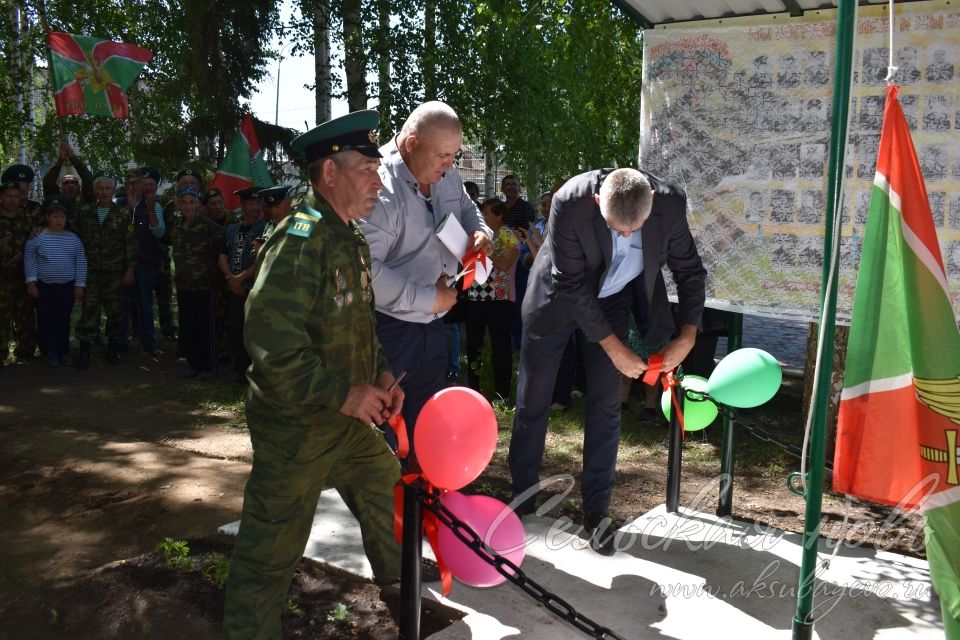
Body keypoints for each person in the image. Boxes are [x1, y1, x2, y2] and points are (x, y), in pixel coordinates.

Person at [224, 110, 404, 639]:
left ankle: (399, 584)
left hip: (343, 418)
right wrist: (342, 395)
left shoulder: (350, 238)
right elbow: (270, 342)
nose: (378, 179)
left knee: (381, 481)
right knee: (271, 546)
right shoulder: (300, 239)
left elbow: (357, 326)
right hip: (297, 425)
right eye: (367, 168)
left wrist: (383, 375)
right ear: (330, 173)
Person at [509, 168, 706, 555]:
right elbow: (572, 285)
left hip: (612, 298)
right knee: (534, 400)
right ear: (598, 203)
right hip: (557, 297)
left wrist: (688, 334)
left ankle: (597, 510)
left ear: (652, 199)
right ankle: (522, 497)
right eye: (618, 229)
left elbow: (689, 270)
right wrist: (615, 348)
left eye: (637, 229)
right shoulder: (569, 200)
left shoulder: (670, 202)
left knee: (605, 405)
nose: (628, 237)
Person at [359, 100, 492, 442]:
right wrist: (427, 298)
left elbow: (467, 208)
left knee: (425, 427)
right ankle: (385, 494)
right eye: (443, 156)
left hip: (434, 324)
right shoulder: (379, 184)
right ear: (412, 142)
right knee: (385, 430)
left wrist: (481, 232)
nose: (449, 166)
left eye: (454, 156)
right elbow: (365, 270)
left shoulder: (445, 175)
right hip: (390, 328)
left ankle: (419, 493)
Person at [73, 173, 137, 368]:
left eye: (108, 188)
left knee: (115, 312)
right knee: (89, 311)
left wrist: (130, 270)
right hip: (90, 271)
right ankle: (85, 351)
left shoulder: (124, 213)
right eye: (100, 188)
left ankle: (113, 349)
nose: (104, 192)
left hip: (115, 272)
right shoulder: (84, 212)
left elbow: (131, 244)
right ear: (94, 191)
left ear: (113, 191)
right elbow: (74, 240)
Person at [164, 186, 224, 381]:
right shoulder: (177, 226)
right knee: (188, 327)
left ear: (198, 204)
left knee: (205, 327)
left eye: (192, 202)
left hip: (204, 286)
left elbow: (221, 254)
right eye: (184, 202)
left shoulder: (210, 227)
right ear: (179, 205)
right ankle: (194, 364)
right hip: (183, 286)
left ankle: (209, 366)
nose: (188, 206)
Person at [465, 198, 520, 400]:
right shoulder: (480, 234)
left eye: (487, 213)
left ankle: (501, 393)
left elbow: (505, 265)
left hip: (500, 298)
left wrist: (483, 254)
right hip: (475, 296)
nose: (483, 216)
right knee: (473, 344)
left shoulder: (508, 235)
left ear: (499, 215)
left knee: (500, 346)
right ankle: (473, 388)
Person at [23, 196, 87, 367]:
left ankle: (64, 350)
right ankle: (50, 351)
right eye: (54, 216)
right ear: (47, 217)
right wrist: (31, 283)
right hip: (44, 287)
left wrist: (80, 285)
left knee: (63, 320)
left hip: (66, 287)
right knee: (45, 320)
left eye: (62, 217)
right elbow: (30, 260)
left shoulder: (74, 239)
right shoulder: (37, 237)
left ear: (67, 219)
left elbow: (81, 262)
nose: (58, 220)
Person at [218, 187, 270, 383]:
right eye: (252, 203)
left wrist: (240, 278)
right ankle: (239, 369)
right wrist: (231, 278)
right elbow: (222, 256)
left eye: (258, 203)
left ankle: (254, 371)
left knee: (253, 331)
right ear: (243, 205)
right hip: (234, 288)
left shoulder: (265, 228)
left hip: (253, 288)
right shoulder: (232, 229)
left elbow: (263, 259)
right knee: (235, 329)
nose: (256, 207)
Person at [127, 166, 166, 355]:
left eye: (139, 183)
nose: (136, 186)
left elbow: (159, 233)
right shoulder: (118, 203)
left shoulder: (153, 204)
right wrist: (127, 207)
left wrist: (150, 211)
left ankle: (148, 342)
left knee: (144, 302)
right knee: (123, 303)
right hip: (122, 264)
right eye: (133, 183)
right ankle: (119, 342)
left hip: (144, 262)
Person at [0, 180, 36, 364]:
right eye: (8, 196)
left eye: (16, 196)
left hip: (23, 275)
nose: (13, 200)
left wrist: (23, 252)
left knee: (25, 314)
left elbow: (35, 241)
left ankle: (26, 353)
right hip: (2, 278)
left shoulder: (26, 218)